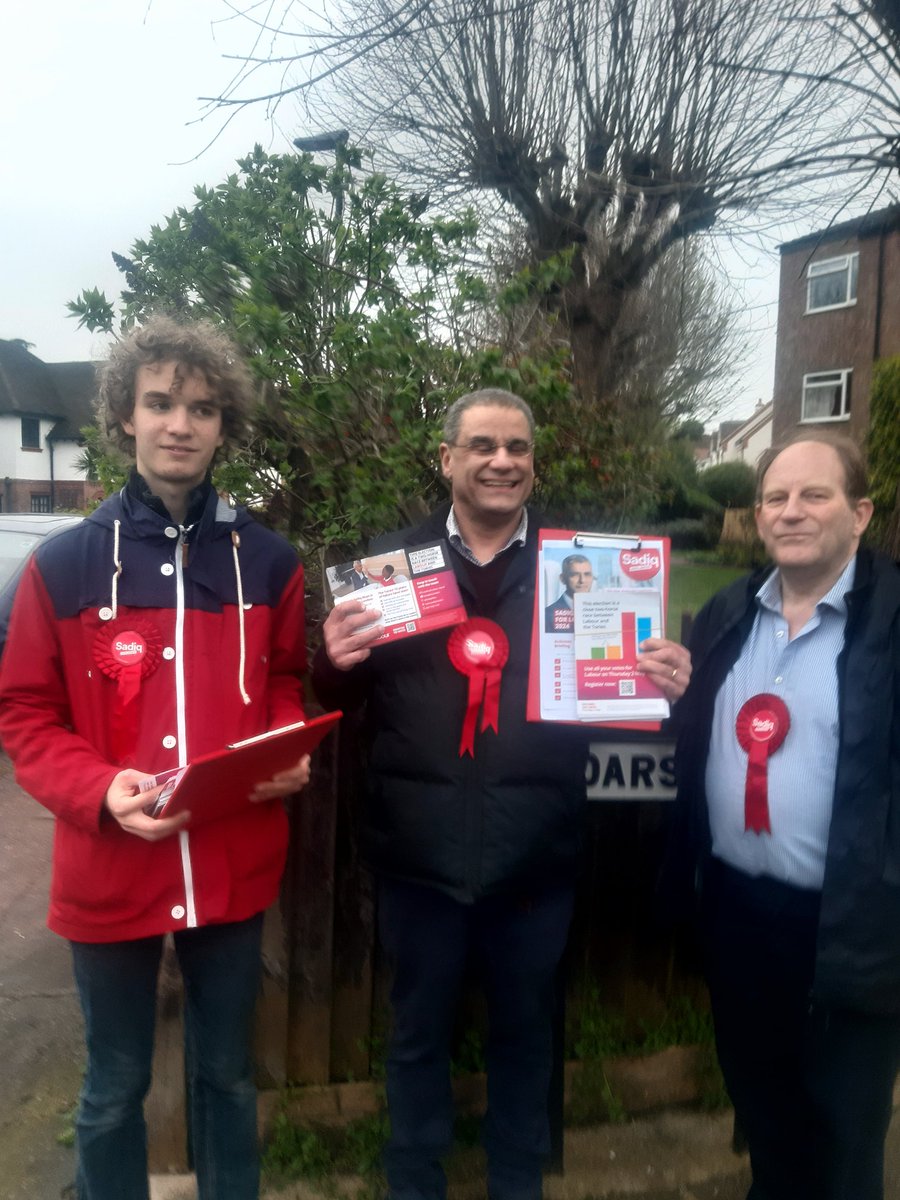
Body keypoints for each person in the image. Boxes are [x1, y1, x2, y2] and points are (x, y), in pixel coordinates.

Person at [312, 388, 689, 1200]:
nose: (501, 461)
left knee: (526, 1037)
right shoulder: (390, 569)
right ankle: (414, 1184)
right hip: (419, 858)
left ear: (532, 463)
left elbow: (626, 715)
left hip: (536, 857)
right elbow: (346, 708)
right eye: (481, 445)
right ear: (447, 459)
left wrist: (662, 688)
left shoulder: (579, 569)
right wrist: (330, 664)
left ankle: (518, 1185)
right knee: (415, 1039)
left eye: (517, 447)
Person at [0, 316, 310, 1200]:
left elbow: (285, 677)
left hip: (231, 862)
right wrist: (99, 790)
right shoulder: (61, 566)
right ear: (125, 417)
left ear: (224, 427)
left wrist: (282, 745)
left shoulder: (272, 562)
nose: (182, 423)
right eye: (161, 402)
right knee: (112, 1091)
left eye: (203, 408)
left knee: (229, 1080)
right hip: (109, 867)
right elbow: (24, 714)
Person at [670, 431, 900, 1200]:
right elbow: (696, 738)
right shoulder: (729, 611)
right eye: (776, 497)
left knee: (841, 1145)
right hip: (739, 916)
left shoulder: (896, 620)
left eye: (815, 495)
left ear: (860, 512)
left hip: (852, 928)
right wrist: (671, 694)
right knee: (764, 1122)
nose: (791, 511)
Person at [544, 553, 594, 632]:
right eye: (575, 575)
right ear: (562, 579)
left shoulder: (597, 611)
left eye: (587, 574)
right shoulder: (547, 616)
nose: (582, 580)